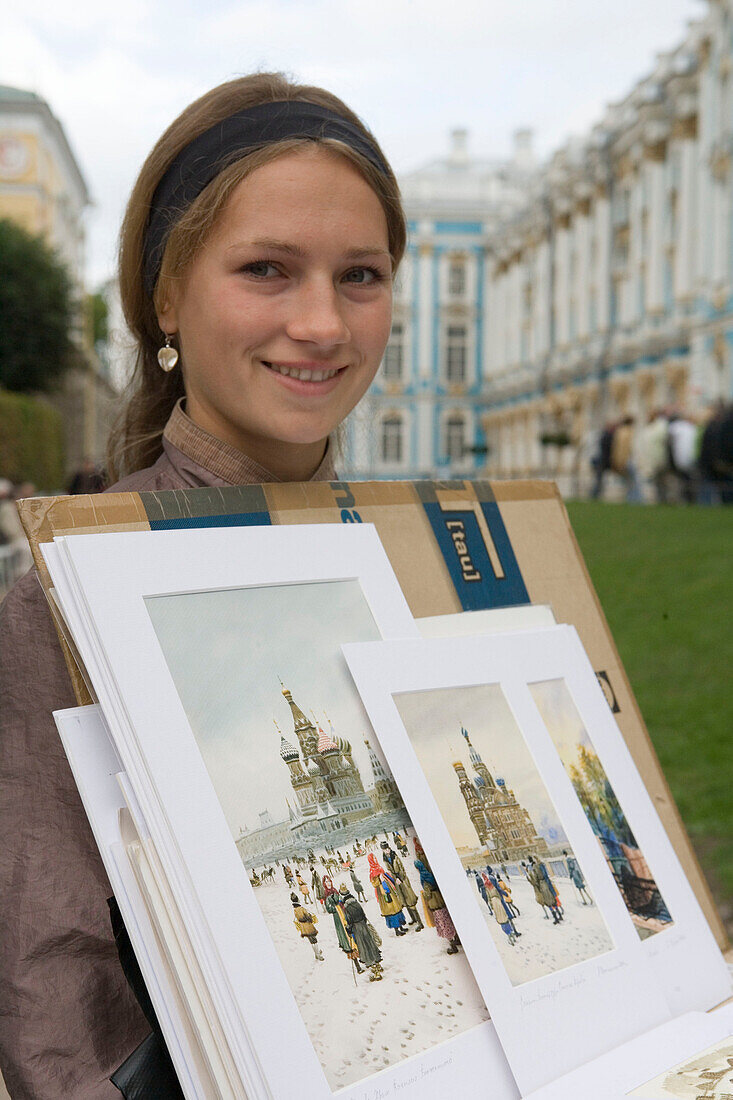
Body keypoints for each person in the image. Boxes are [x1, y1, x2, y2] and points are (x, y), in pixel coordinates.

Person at [0, 71, 405, 1099]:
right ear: (167, 294)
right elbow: (51, 989)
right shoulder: (68, 590)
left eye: (361, 274)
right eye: (268, 268)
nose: (323, 323)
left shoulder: (416, 553)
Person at [413, 840, 461, 955]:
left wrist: (424, 894)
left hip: (435, 904)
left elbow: (428, 893)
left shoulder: (424, 878)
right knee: (449, 922)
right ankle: (457, 940)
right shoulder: (430, 874)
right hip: (441, 901)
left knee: (444, 925)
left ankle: (453, 946)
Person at [338, 885, 383, 981]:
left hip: (357, 929)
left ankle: (375, 972)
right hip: (364, 925)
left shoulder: (347, 908)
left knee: (364, 948)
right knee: (371, 944)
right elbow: (364, 915)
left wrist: (348, 930)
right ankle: (378, 965)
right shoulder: (357, 903)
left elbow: (349, 921)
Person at [380, 840, 423, 930]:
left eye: (387, 849)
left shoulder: (394, 855)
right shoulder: (385, 858)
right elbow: (390, 870)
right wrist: (396, 879)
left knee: (410, 900)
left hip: (403, 880)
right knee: (403, 900)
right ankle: (413, 919)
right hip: (397, 881)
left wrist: (401, 878)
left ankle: (420, 922)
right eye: (385, 850)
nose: (387, 851)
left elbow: (402, 868)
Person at [323, 876, 363, 972]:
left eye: (329, 881)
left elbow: (342, 901)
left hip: (345, 915)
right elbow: (329, 909)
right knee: (347, 940)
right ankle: (357, 966)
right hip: (338, 920)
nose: (328, 883)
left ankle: (363, 959)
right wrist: (335, 906)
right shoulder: (326, 895)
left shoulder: (336, 891)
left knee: (354, 937)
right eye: (326, 882)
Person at [367, 853, 407, 937]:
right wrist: (380, 880)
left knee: (396, 907)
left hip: (389, 889)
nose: (375, 859)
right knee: (391, 909)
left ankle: (401, 926)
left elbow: (384, 875)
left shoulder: (378, 867)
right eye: (373, 858)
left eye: (375, 858)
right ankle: (397, 930)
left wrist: (386, 875)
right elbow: (374, 884)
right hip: (383, 892)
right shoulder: (372, 872)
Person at [527, 856, 563, 924]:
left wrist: (530, 880)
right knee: (553, 900)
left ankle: (556, 918)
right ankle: (560, 915)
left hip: (543, 886)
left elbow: (536, 880)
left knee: (548, 902)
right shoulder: (540, 865)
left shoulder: (534, 868)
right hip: (548, 884)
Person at [291, 892, 324, 961]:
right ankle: (318, 954)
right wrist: (310, 917)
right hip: (308, 926)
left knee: (311, 941)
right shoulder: (301, 908)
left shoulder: (295, 910)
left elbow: (298, 918)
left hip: (303, 927)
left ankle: (316, 953)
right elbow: (307, 916)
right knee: (314, 940)